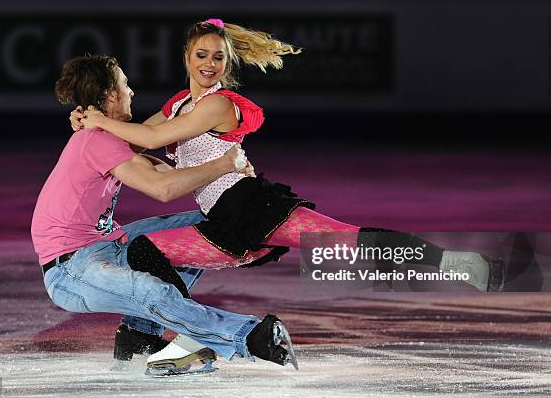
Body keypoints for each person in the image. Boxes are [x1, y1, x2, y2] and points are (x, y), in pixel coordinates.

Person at [72, 18, 505, 368]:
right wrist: (88, 119)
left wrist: (99, 121)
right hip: (223, 223)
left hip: (251, 206)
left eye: (218, 57)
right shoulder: (180, 103)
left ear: (228, 62)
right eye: (202, 55)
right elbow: (140, 135)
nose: (209, 64)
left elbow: (155, 136)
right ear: (186, 56)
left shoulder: (219, 104)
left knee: (347, 242)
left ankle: (458, 263)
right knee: (146, 250)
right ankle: (165, 341)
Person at [32, 54, 298, 374]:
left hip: (106, 245)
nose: (132, 93)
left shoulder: (106, 136)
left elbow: (165, 171)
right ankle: (248, 336)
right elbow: (163, 190)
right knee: (151, 291)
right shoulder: (95, 141)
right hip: (70, 269)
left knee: (199, 228)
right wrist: (223, 164)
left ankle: (140, 335)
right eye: (126, 86)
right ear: (110, 96)